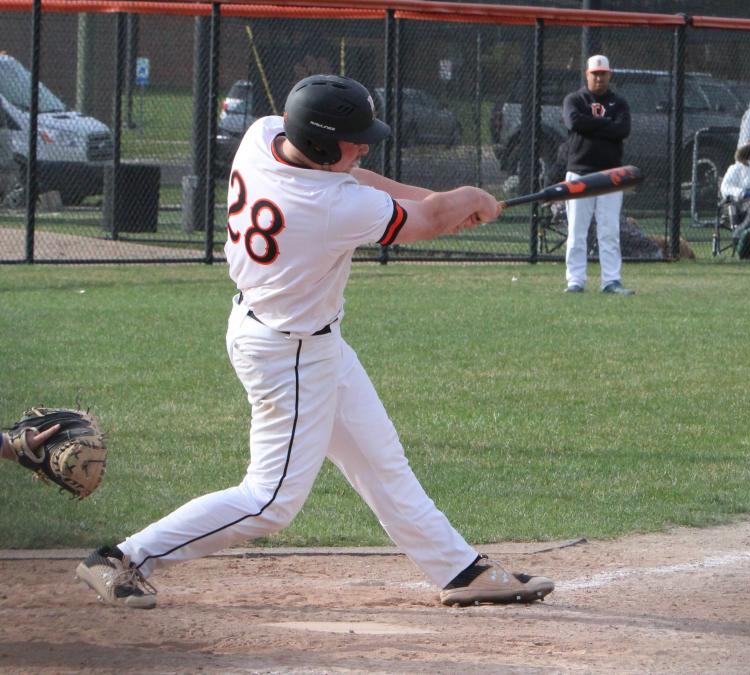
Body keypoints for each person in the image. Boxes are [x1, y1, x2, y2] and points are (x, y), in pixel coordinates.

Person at [75, 74, 554, 610]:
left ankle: (460, 571)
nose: (365, 143)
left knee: (381, 462)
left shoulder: (264, 136)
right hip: (290, 352)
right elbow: (419, 221)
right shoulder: (330, 206)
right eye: (354, 136)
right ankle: (124, 557)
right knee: (269, 501)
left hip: (290, 333)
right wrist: (464, 199)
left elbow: (368, 181)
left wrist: (439, 203)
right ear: (323, 145)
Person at [561, 54, 634, 295]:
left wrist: (591, 124)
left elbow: (622, 129)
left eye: (603, 73)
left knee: (609, 230)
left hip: (611, 175)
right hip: (580, 173)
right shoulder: (574, 99)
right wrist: (605, 124)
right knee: (576, 231)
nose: (599, 78)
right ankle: (575, 281)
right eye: (595, 73)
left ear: (610, 74)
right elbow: (574, 122)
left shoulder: (620, 102)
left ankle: (611, 281)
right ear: (587, 74)